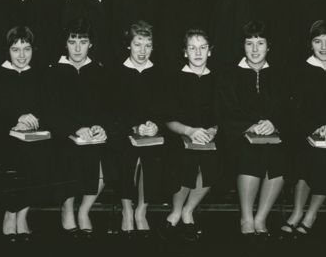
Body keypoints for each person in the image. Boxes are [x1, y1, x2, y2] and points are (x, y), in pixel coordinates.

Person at [217, 21, 289, 236]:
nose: (255, 49)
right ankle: (246, 217)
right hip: (238, 137)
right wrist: (249, 127)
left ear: (269, 46)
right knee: (250, 154)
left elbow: (289, 109)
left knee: (278, 157)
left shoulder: (280, 75)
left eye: (260, 43)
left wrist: (274, 123)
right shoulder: (229, 75)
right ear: (243, 46)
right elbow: (223, 111)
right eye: (249, 43)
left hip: (272, 136)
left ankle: (261, 217)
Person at [44, 19, 111, 235]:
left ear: (91, 44)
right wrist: (74, 128)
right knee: (67, 157)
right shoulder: (54, 72)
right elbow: (51, 111)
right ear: (65, 44)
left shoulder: (99, 72)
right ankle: (67, 209)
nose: (78, 47)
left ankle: (84, 210)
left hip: (92, 136)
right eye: (73, 42)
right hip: (64, 135)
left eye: (83, 41)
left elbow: (107, 108)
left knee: (108, 161)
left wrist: (100, 127)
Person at [284, 20, 326, 236]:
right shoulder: (299, 70)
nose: (323, 47)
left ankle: (311, 214)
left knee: (325, 158)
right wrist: (314, 128)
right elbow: (293, 108)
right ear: (310, 44)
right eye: (318, 41)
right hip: (304, 131)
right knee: (304, 156)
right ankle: (296, 212)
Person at [0, 25, 53, 240]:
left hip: (34, 137)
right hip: (4, 136)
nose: (21, 55)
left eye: (26, 49)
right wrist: (15, 120)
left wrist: (34, 120)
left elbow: (48, 108)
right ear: (7, 51)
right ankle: (10, 213)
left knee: (39, 156)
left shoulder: (40, 74)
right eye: (15, 49)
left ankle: (23, 214)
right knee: (13, 157)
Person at [164, 29, 220, 239]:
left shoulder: (217, 79)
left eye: (203, 47)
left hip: (210, 135)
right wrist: (189, 131)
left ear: (210, 52)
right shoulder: (175, 78)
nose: (198, 53)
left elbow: (222, 115)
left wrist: (213, 131)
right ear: (185, 52)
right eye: (192, 48)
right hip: (180, 133)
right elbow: (168, 119)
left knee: (213, 160)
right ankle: (176, 211)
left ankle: (189, 209)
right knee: (184, 158)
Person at [113, 21, 167, 233]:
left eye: (147, 45)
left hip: (153, 133)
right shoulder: (117, 72)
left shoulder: (160, 73)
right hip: (124, 131)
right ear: (129, 45)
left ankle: (141, 210)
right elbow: (112, 109)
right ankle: (127, 209)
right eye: (138, 44)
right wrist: (133, 127)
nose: (143, 50)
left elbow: (165, 107)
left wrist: (155, 125)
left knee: (153, 153)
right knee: (126, 153)